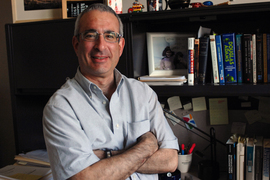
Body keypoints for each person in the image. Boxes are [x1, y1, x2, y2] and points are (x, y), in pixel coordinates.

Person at [43, 3, 179, 180]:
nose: (101, 46)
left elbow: (169, 161)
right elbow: (83, 178)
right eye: (91, 35)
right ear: (76, 44)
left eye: (110, 36)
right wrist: (146, 147)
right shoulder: (60, 107)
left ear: (120, 45)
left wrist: (105, 156)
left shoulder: (143, 93)